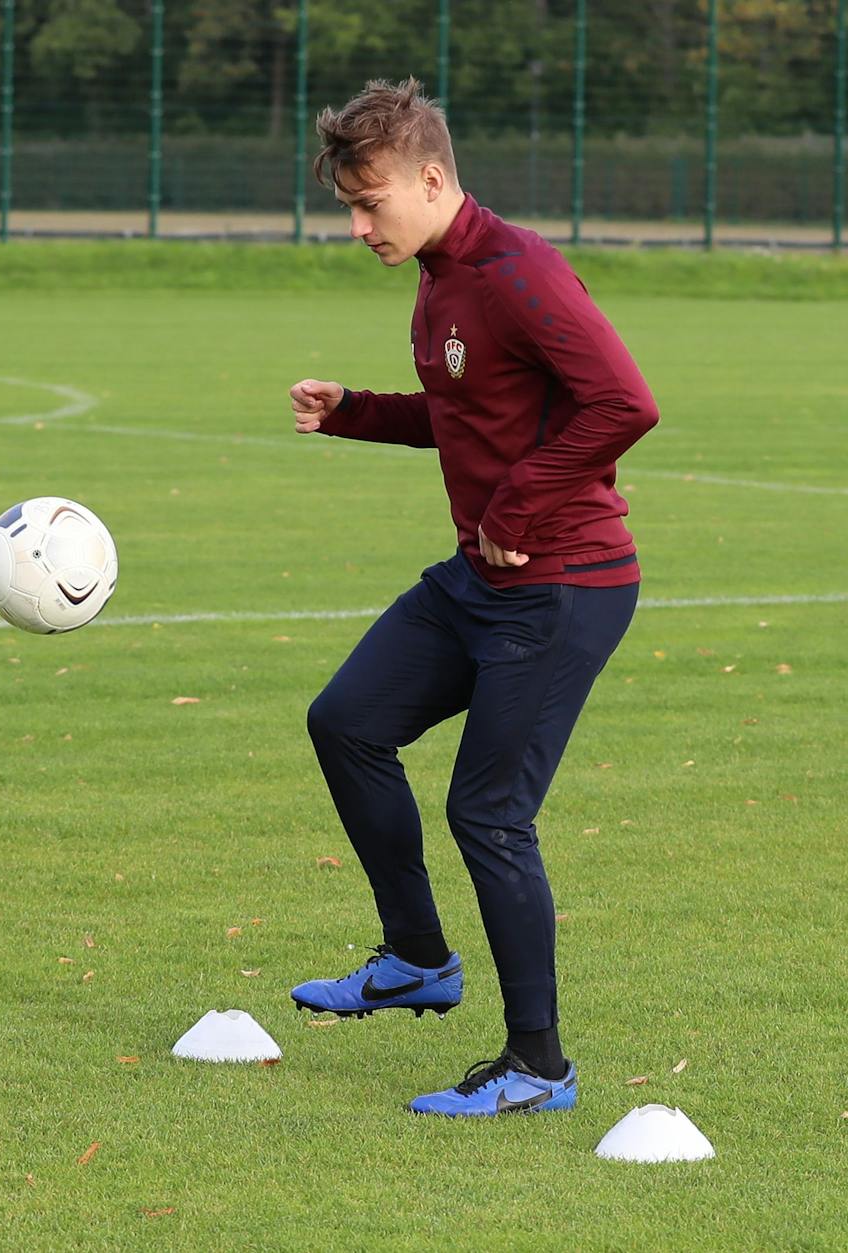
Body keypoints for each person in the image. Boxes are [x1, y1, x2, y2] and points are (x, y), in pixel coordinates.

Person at [283, 79, 658, 1117]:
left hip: (563, 586)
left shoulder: (517, 272)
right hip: (480, 579)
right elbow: (469, 411)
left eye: (370, 203)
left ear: (431, 177)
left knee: (487, 813)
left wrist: (519, 507)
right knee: (346, 720)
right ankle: (414, 958)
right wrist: (355, 411)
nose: (357, 226)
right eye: (348, 207)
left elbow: (623, 403)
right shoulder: (441, 276)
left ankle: (537, 1063)